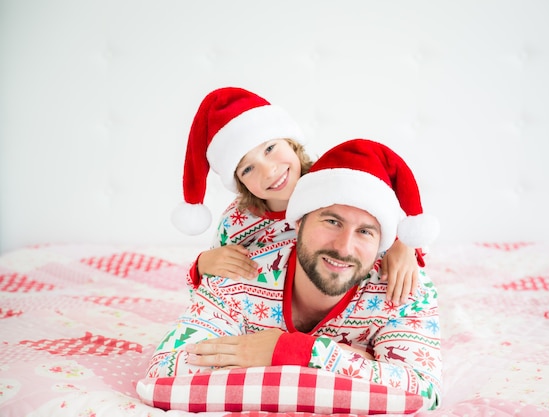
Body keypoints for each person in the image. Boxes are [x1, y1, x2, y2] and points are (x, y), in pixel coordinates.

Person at [147, 138, 441, 410]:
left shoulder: (404, 291)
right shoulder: (235, 276)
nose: (343, 247)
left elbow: (422, 394)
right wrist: (355, 364)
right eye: (332, 222)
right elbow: (163, 375)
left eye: (365, 231)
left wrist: (291, 351)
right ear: (297, 222)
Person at [171, 86, 424, 304]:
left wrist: (404, 245)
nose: (269, 170)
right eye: (248, 168)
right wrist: (203, 265)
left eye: (270, 148)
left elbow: (379, 218)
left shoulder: (335, 183)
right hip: (273, 316)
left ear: (291, 142)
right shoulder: (237, 223)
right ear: (240, 182)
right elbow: (211, 291)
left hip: (347, 302)